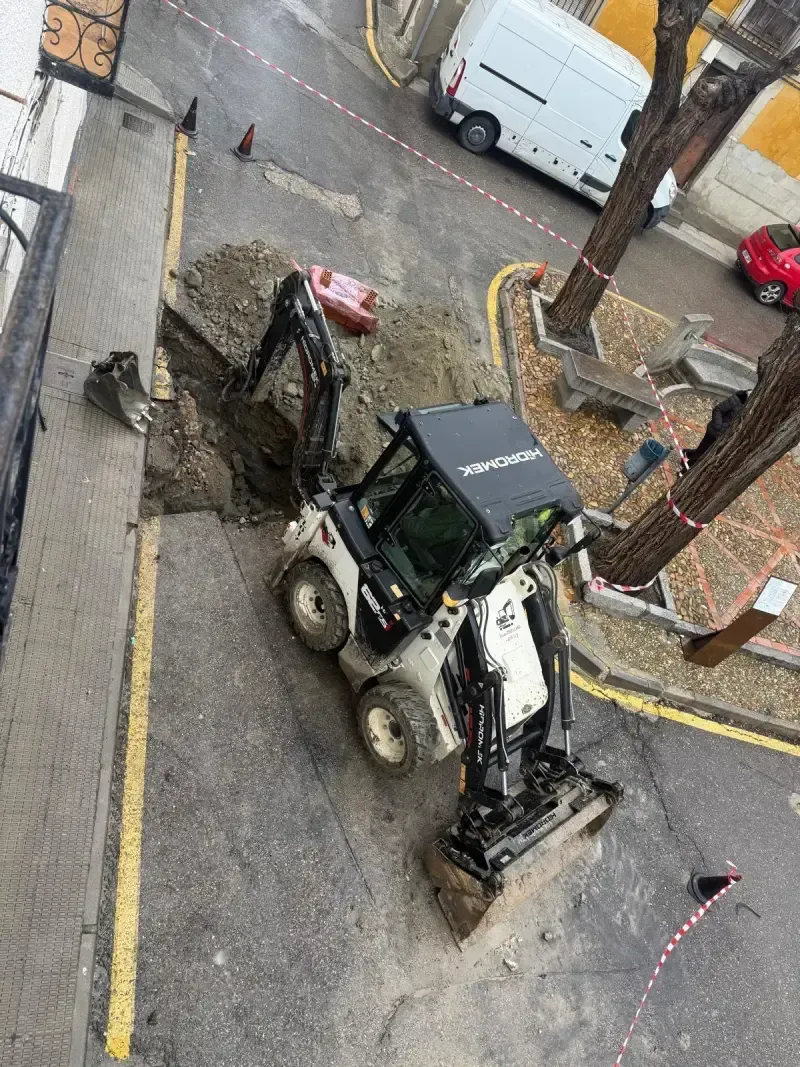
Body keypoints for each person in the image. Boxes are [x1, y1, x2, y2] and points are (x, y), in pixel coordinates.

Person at [684, 389, 749, 468]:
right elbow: (718, 410)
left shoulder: (749, 408)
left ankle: (687, 454)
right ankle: (684, 470)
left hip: (724, 437)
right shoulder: (739, 399)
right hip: (714, 432)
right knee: (701, 454)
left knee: (704, 453)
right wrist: (718, 427)